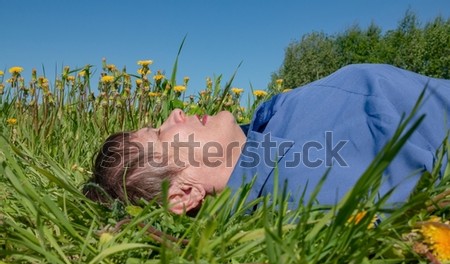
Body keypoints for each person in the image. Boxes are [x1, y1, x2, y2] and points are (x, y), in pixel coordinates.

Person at [84, 64, 450, 214]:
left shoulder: (265, 139)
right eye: (162, 133)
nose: (175, 113)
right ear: (183, 193)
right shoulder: (308, 182)